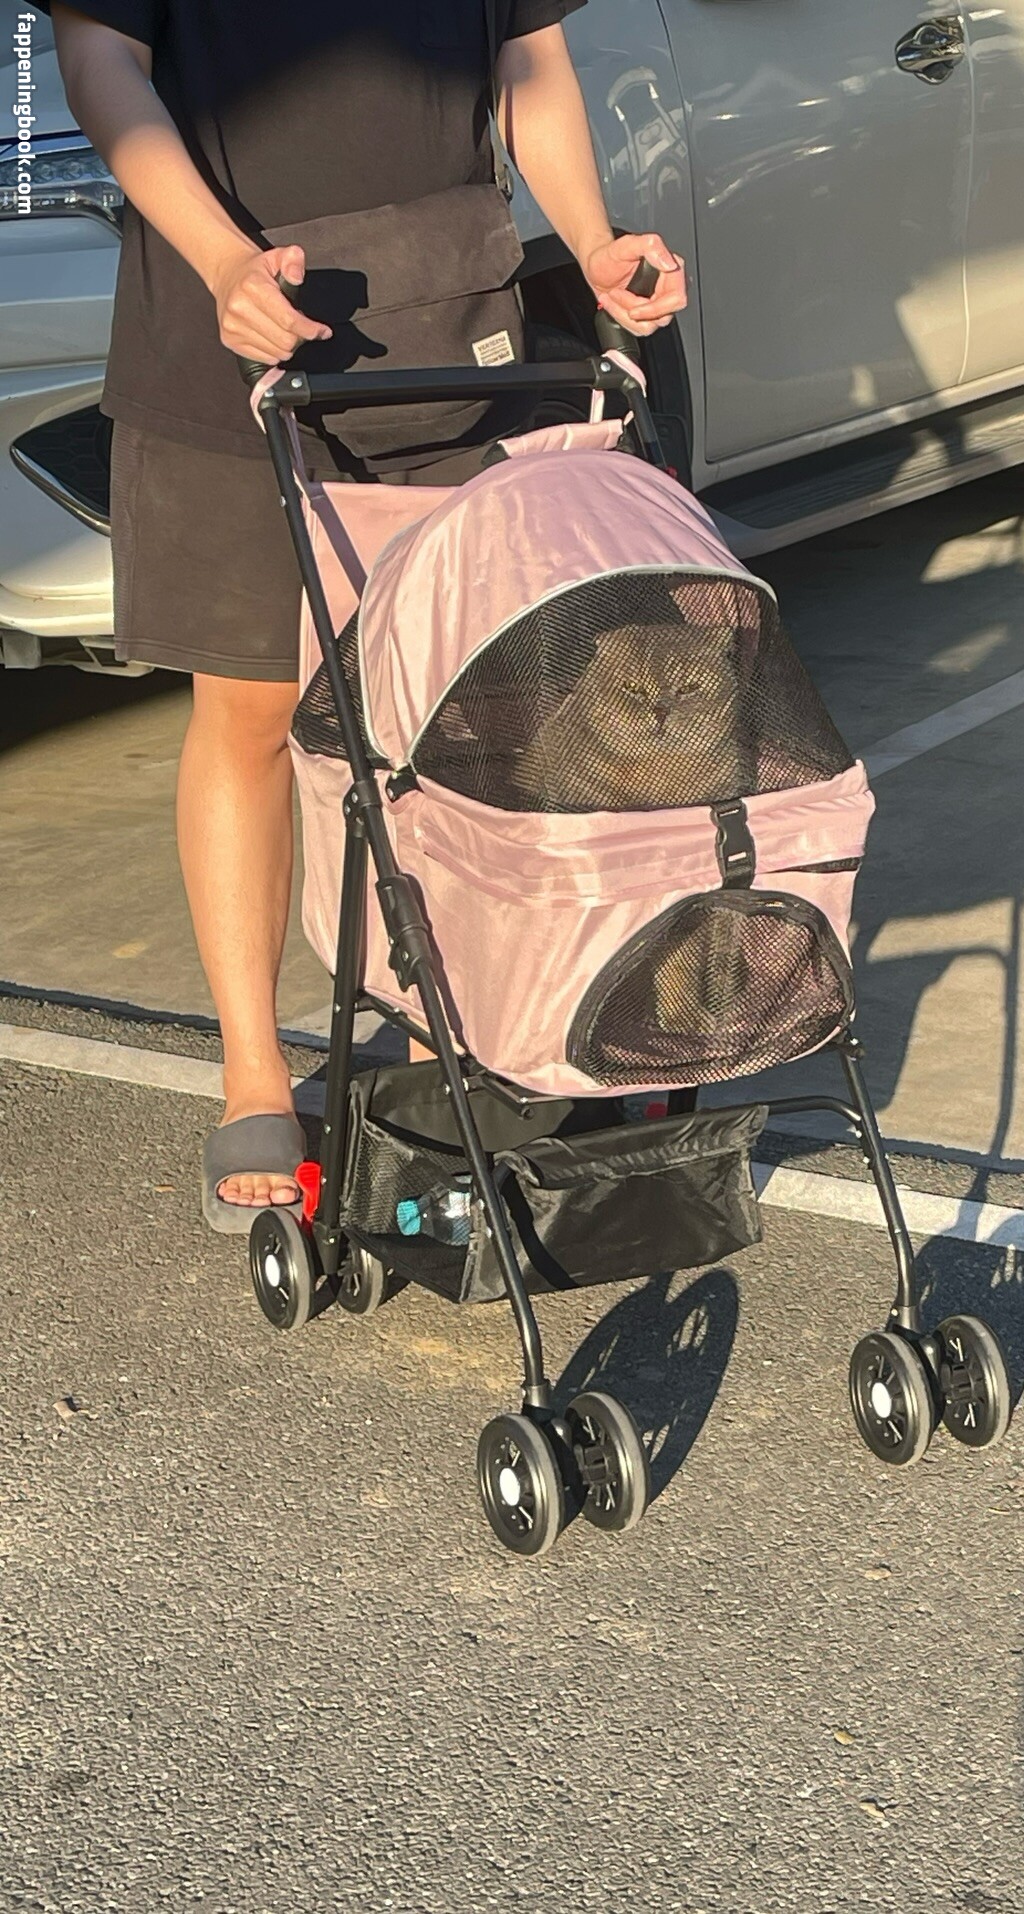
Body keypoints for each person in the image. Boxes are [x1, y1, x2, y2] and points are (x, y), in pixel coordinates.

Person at [43, 0, 687, 1229]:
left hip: (453, 337)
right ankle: (252, 1071)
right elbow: (99, 59)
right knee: (252, 709)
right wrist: (221, 262)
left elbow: (529, 53)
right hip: (227, 339)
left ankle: (451, 1039)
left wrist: (595, 241)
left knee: (454, 714)